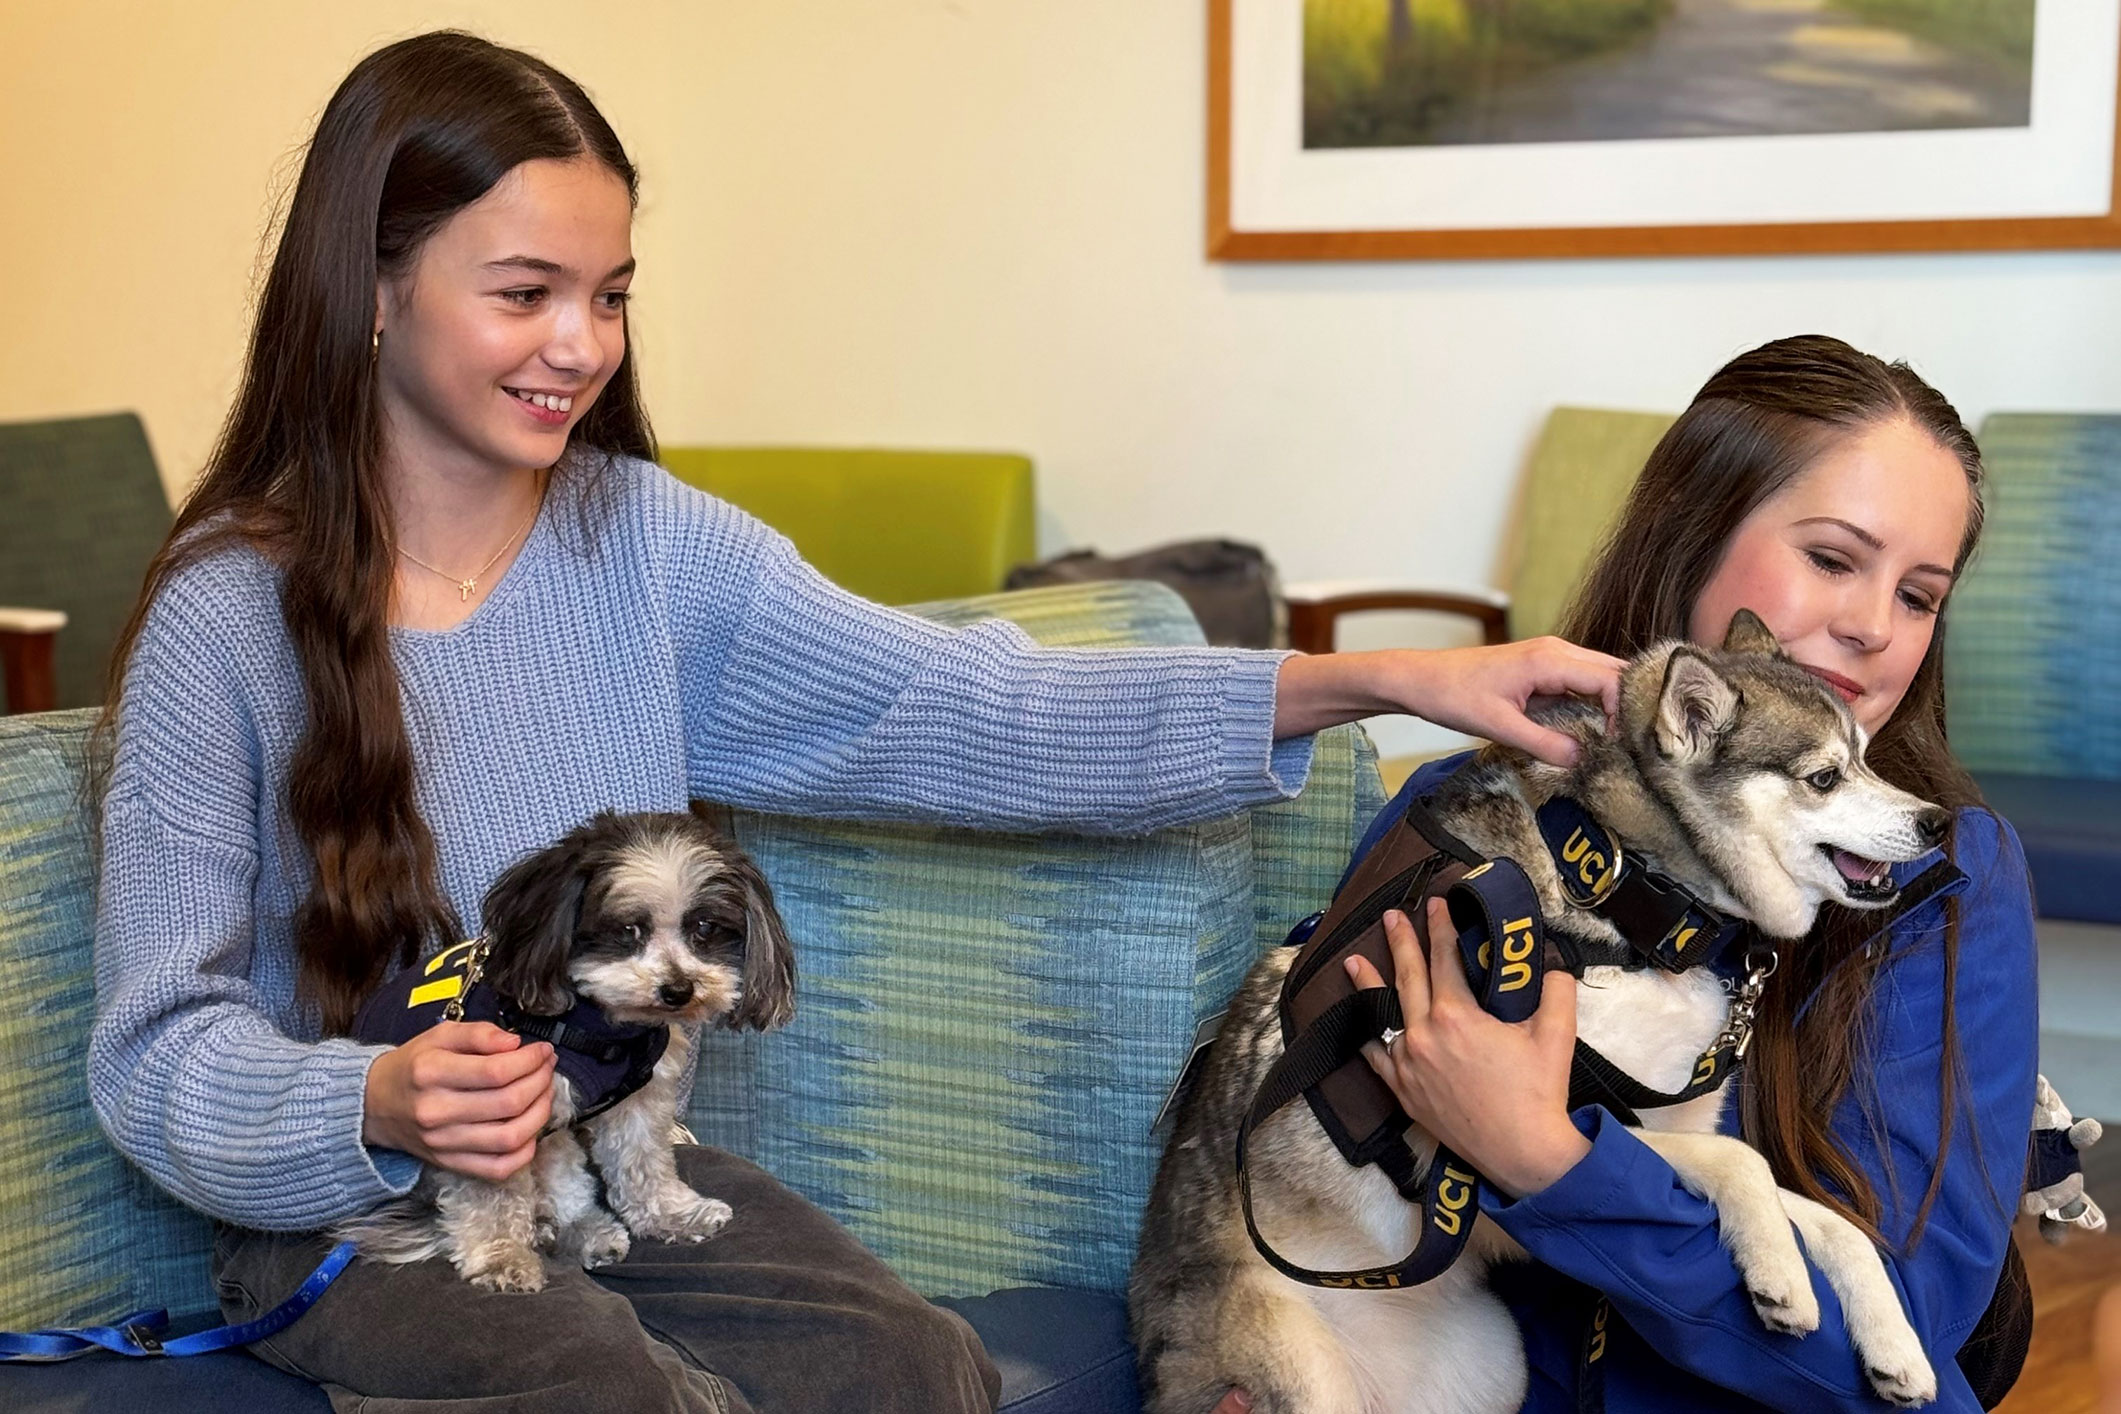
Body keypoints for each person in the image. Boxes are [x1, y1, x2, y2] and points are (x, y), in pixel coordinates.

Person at [83, 32, 1621, 1414]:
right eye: (525, 293)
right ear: (370, 286)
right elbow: (153, 1053)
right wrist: (375, 1091)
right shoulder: (229, 615)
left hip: (612, 1154)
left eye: (610, 295)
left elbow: (977, 707)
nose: (582, 346)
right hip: (366, 1213)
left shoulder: (649, 543)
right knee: (609, 1392)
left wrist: (1381, 677)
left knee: (913, 1368)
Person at [1304, 335, 2031, 1413]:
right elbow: (1303, 1146)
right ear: (1692, 534)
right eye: (1833, 559)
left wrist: (1550, 1161)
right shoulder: (1471, 809)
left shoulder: (1947, 883)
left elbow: (1901, 1355)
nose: (1873, 627)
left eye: (1920, 595)